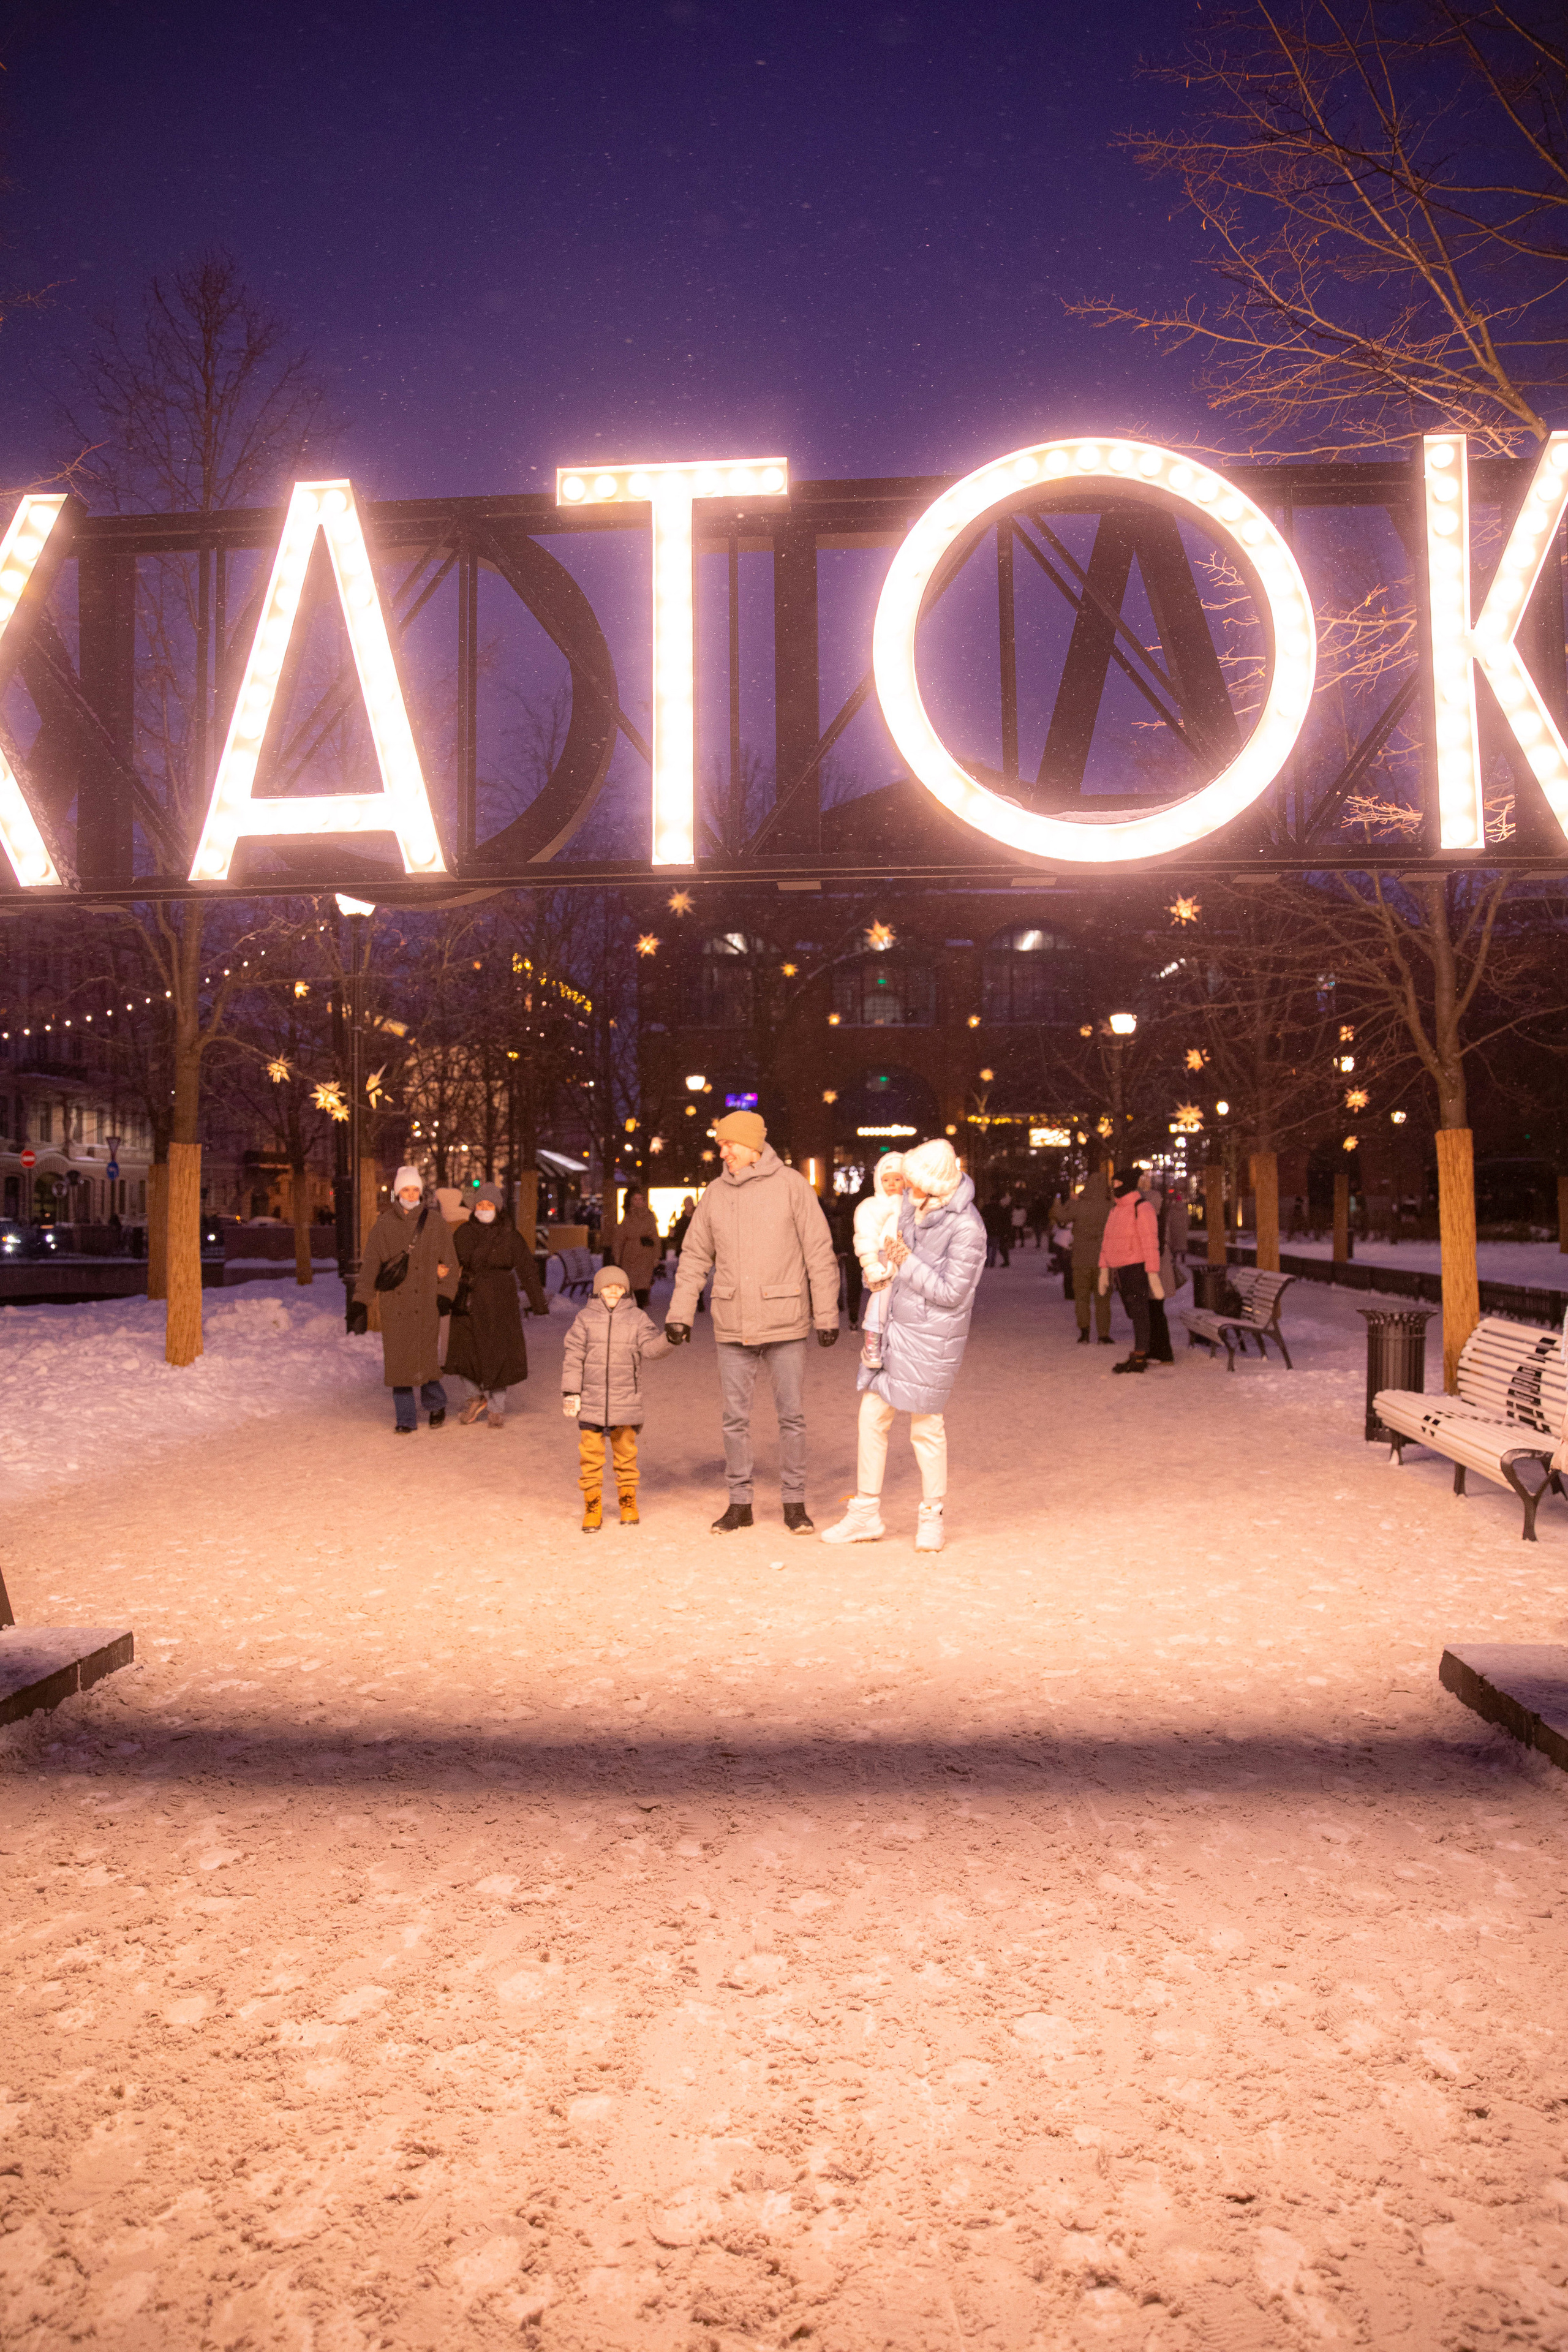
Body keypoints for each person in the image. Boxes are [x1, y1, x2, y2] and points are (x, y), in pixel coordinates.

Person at [665, 1109, 840, 1534]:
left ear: (753, 1145)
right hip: (732, 1320)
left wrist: (826, 1313)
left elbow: (819, 1252)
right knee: (734, 1418)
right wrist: (680, 1312)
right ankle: (739, 1502)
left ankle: (794, 1503)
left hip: (784, 1320)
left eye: (729, 1144)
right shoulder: (715, 1194)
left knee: (792, 1417)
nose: (723, 1152)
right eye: (721, 1145)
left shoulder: (792, 1187)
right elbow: (693, 1258)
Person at [821, 1137, 986, 1553]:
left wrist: (906, 1261)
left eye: (913, 1182)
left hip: (932, 1338)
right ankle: (866, 1512)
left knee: (927, 1426)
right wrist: (880, 1271)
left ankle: (932, 1516)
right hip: (894, 1329)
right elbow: (895, 1265)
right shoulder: (917, 1210)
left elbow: (952, 1292)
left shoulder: (967, 1227)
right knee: (872, 1415)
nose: (905, 1189)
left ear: (935, 1184)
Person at [562, 1264, 676, 1530]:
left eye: (619, 1287)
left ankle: (628, 1501)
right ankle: (593, 1506)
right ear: (598, 1291)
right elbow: (573, 1357)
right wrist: (571, 1391)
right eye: (608, 1287)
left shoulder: (637, 1318)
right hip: (590, 1401)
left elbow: (650, 1349)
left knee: (626, 1456)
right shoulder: (584, 1319)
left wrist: (670, 1339)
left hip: (625, 1402)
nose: (614, 1291)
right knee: (590, 1457)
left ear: (626, 1292)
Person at [349, 1164, 457, 1431]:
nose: (410, 1194)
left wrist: (445, 1295)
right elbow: (371, 1265)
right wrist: (361, 1301)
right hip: (395, 1305)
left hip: (426, 1304)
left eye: (415, 1189)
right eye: (405, 1190)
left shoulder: (435, 1224)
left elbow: (451, 1263)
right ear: (398, 1193)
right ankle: (406, 1418)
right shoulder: (384, 1225)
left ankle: (436, 1405)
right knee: (399, 1365)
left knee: (427, 1360)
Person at [448, 1182, 549, 1427]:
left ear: (498, 1208)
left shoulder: (510, 1236)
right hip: (469, 1298)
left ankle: (497, 1407)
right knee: (463, 1353)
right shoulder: (463, 1233)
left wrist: (538, 1302)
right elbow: (448, 1262)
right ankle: (474, 1397)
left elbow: (527, 1268)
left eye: (489, 1205)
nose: (484, 1209)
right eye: (480, 1204)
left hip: (500, 1300)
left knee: (499, 1352)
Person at [1098, 1170, 1164, 1375]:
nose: (1115, 1186)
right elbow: (1107, 1241)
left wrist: (1153, 1274)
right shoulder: (1116, 1210)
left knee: (1139, 1312)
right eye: (1114, 1183)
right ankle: (1141, 1352)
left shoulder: (1142, 1208)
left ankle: (1140, 1355)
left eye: (1118, 1182)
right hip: (1121, 1270)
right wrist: (1104, 1269)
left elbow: (1150, 1242)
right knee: (1133, 1312)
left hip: (1137, 1268)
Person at [853, 1152, 906, 1370]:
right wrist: (870, 1262)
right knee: (881, 1301)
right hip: (884, 1259)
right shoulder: (872, 1206)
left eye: (897, 1179)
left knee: (905, 1306)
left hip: (908, 1260)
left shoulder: (913, 1204)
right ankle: (872, 1342)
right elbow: (865, 1235)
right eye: (886, 1179)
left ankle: (901, 1347)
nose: (891, 1184)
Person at [1054, 1170, 1114, 1344]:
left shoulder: (1079, 1205)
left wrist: (1064, 1202)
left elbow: (1061, 1217)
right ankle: (1103, 1334)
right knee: (1103, 1299)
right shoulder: (1109, 1206)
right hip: (1103, 1261)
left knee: (1082, 1298)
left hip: (1081, 1259)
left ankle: (1085, 1332)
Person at [609, 1186, 662, 1309]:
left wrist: (656, 1256)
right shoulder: (628, 1216)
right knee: (631, 1284)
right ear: (631, 1201)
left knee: (643, 1285)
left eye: (641, 1199)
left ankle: (640, 1308)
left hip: (645, 1255)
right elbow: (620, 1237)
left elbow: (655, 1236)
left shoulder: (649, 1216)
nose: (639, 1202)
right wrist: (617, 1256)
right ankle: (635, 1309)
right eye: (636, 1199)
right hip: (631, 1256)